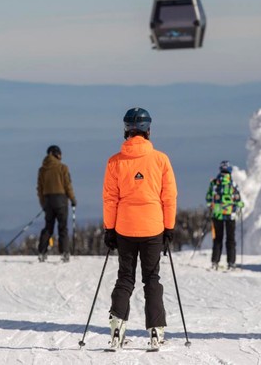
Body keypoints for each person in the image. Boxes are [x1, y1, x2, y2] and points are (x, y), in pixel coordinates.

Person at [102, 107, 177, 351]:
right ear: (148, 130)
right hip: (153, 227)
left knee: (125, 277)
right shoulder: (161, 159)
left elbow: (110, 199)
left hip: (125, 227)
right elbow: (169, 197)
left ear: (126, 129)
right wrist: (169, 228)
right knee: (151, 279)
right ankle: (156, 331)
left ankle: (116, 329)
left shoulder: (114, 162)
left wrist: (109, 229)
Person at [36, 144, 76, 263]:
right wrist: (72, 199)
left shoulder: (42, 169)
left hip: (48, 200)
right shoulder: (63, 168)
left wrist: (43, 203)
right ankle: (64, 252)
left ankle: (42, 252)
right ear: (56, 154)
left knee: (48, 227)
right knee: (62, 227)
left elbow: (40, 188)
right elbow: (67, 185)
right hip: (61, 200)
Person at [206, 160, 245, 271]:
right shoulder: (233, 185)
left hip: (217, 215)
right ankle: (231, 263)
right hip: (230, 215)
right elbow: (238, 200)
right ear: (230, 171)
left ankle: (215, 262)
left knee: (218, 239)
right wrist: (240, 205)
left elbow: (208, 198)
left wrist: (211, 206)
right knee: (230, 239)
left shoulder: (214, 183)